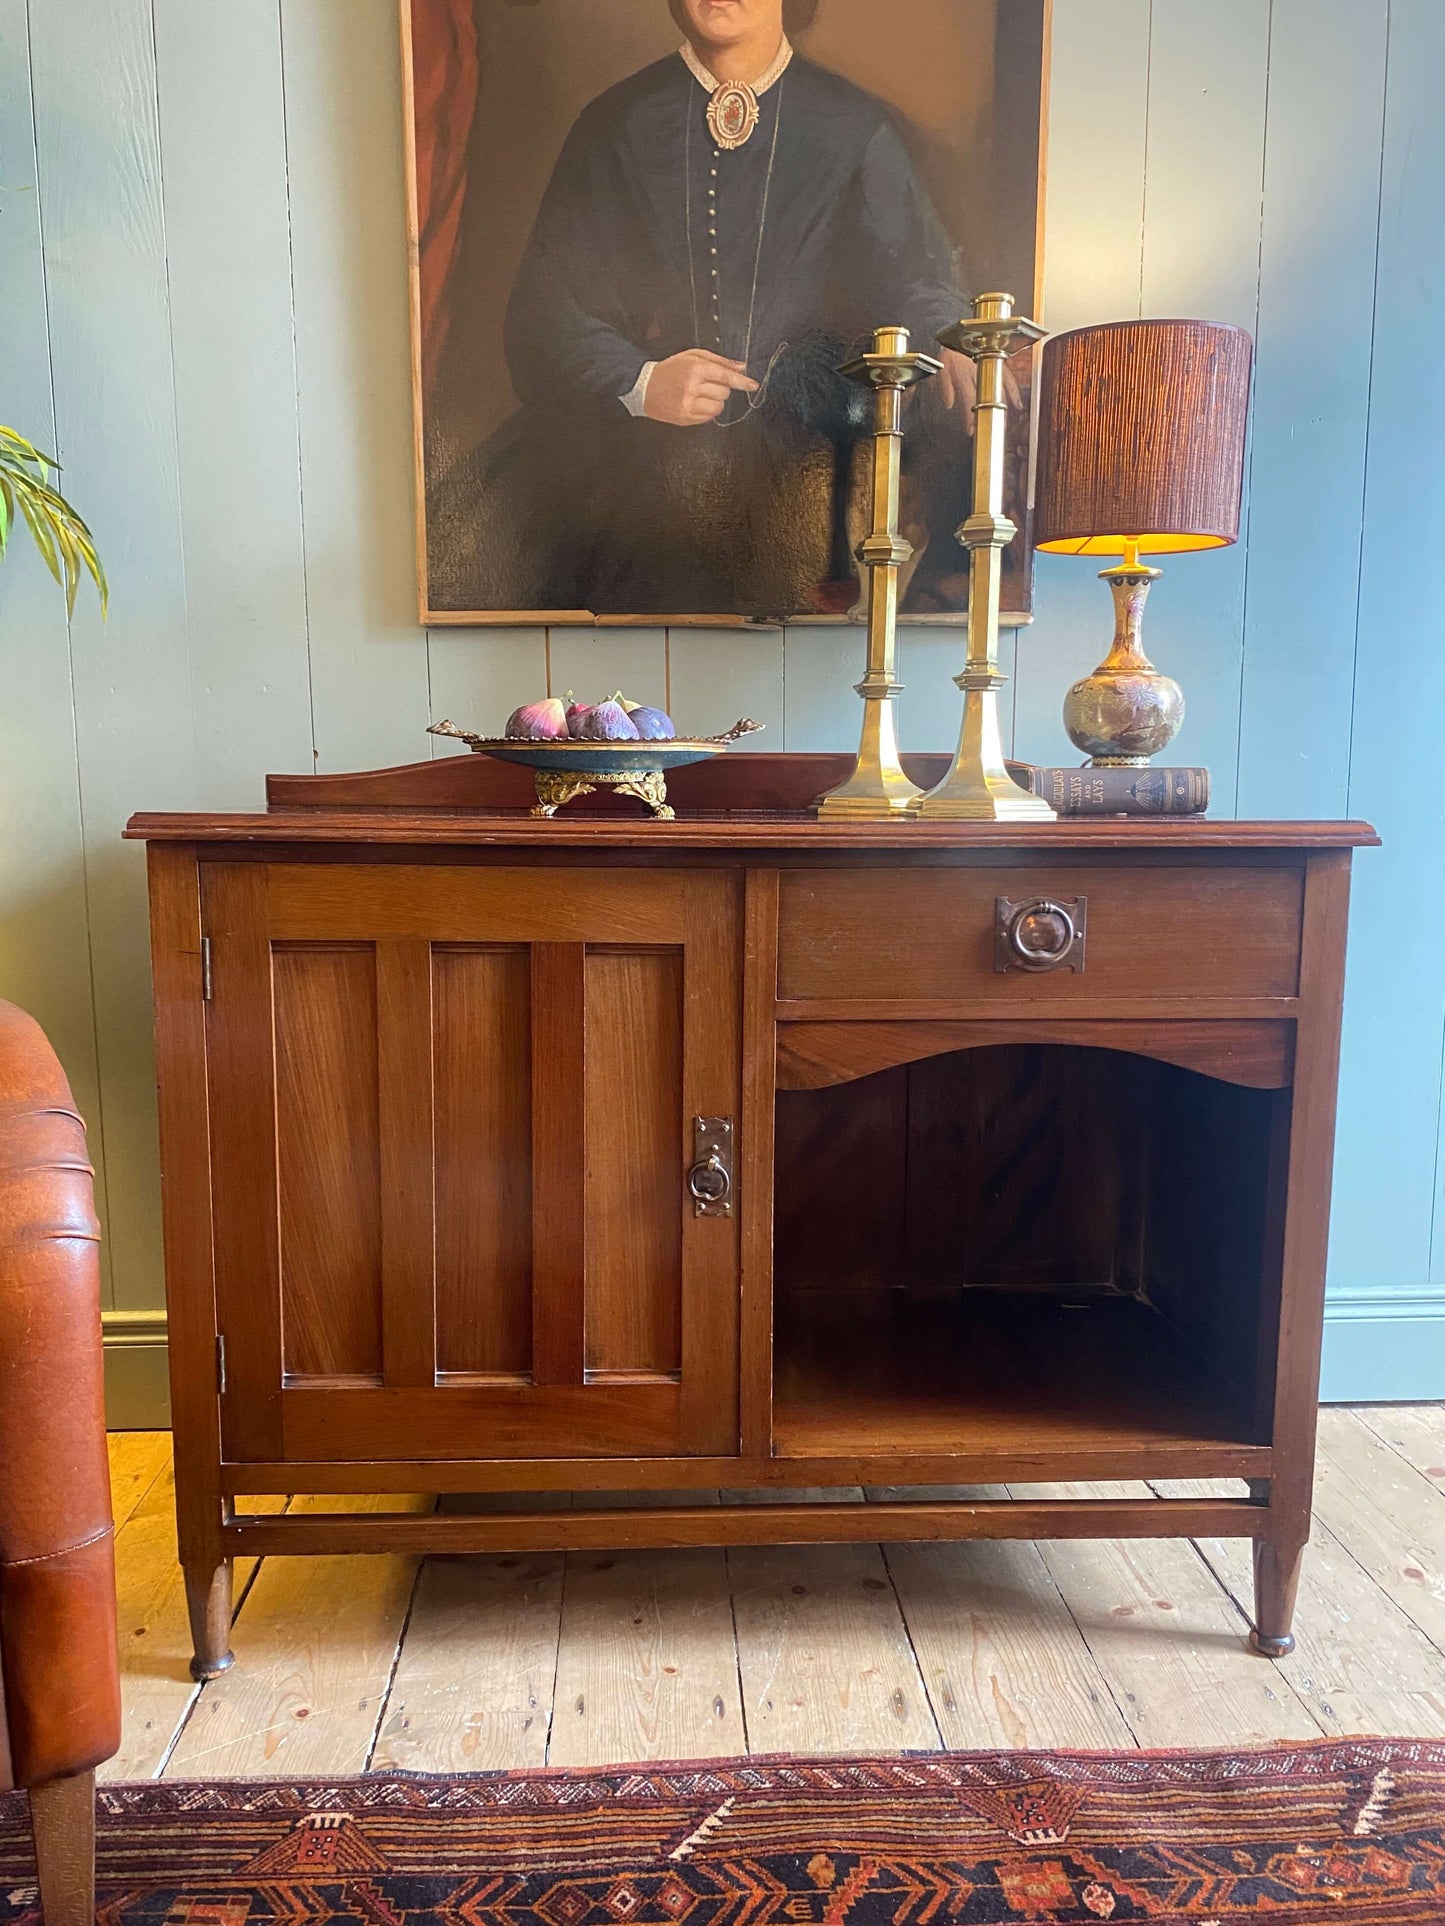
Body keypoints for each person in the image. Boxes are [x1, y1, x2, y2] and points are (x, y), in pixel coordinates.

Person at [427, 0, 977, 617]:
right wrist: (642, 381)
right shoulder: (619, 122)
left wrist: (947, 330)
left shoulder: (852, 126)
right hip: (630, 460)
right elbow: (543, 317)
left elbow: (918, 274)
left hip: (800, 453)